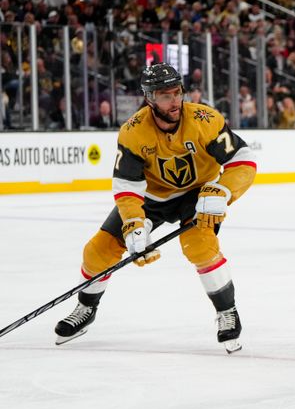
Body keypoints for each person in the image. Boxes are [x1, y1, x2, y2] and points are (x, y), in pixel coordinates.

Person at [53, 63, 257, 353]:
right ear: (149, 98)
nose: (174, 101)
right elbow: (127, 187)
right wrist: (135, 224)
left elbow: (243, 159)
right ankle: (86, 308)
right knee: (98, 250)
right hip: (153, 197)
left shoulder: (204, 119)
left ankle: (227, 312)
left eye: (177, 92)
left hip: (197, 193)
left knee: (200, 246)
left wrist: (223, 190)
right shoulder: (133, 132)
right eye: (164, 96)